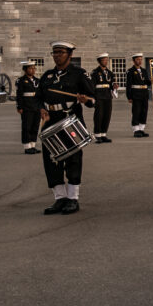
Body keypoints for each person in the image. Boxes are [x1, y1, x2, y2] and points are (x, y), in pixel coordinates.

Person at [36, 41, 95, 215]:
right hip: (50, 120)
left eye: (60, 52)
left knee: (73, 159)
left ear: (69, 55)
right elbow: (38, 97)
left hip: (70, 118)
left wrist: (86, 100)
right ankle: (59, 198)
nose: (56, 55)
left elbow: (93, 98)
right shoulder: (47, 76)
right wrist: (41, 108)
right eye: (54, 52)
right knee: (51, 160)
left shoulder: (79, 74)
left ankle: (73, 198)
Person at [90, 53, 117, 143]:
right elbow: (92, 86)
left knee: (107, 115)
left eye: (106, 60)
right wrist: (93, 97)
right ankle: (97, 135)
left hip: (107, 96)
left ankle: (103, 134)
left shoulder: (110, 73)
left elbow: (112, 84)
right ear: (99, 61)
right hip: (99, 96)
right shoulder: (95, 72)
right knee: (99, 116)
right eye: (103, 60)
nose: (105, 62)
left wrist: (114, 86)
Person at [16, 61, 41, 154]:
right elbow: (19, 95)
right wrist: (19, 106)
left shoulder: (37, 80)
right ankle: (27, 146)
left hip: (36, 106)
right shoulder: (21, 81)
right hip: (27, 106)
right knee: (27, 127)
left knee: (35, 126)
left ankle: (33, 145)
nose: (33, 70)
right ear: (25, 70)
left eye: (34, 68)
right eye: (30, 68)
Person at [126, 53, 151, 137]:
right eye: (137, 59)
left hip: (144, 93)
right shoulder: (130, 71)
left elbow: (147, 82)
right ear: (134, 61)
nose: (139, 61)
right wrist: (129, 96)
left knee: (144, 111)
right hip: (136, 93)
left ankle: (141, 129)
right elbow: (128, 85)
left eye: (140, 59)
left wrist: (151, 81)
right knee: (136, 111)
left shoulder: (144, 70)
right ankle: (136, 130)